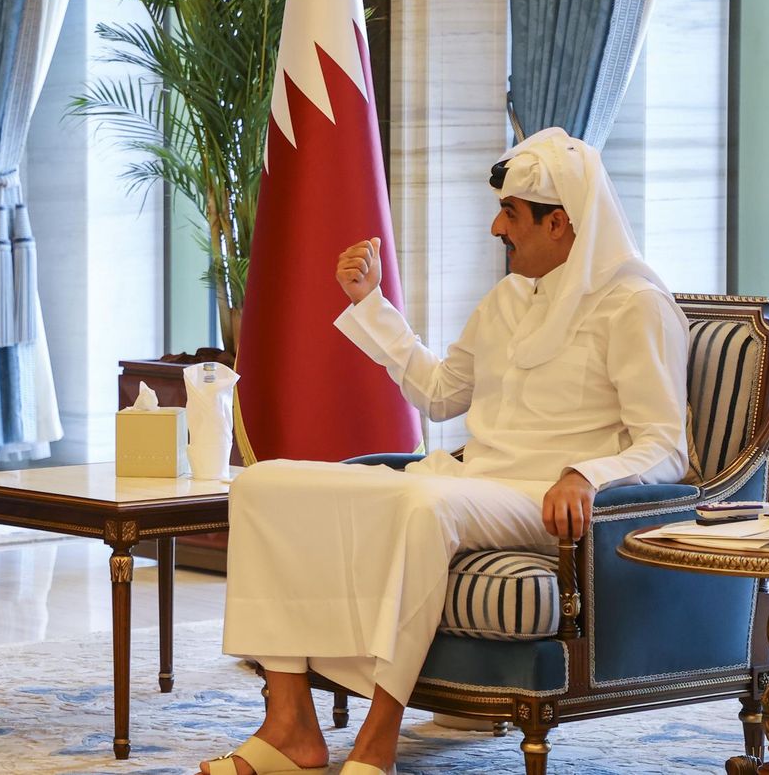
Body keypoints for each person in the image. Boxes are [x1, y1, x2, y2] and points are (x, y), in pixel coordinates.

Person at [201, 128, 689, 775]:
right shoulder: (507, 298)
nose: (496, 228)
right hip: (467, 481)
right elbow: (438, 394)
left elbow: (666, 446)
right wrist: (370, 304)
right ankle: (290, 723)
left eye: (510, 214)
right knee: (266, 484)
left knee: (426, 506)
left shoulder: (636, 304)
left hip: (541, 499)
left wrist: (587, 474)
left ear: (560, 223)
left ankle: (378, 738)